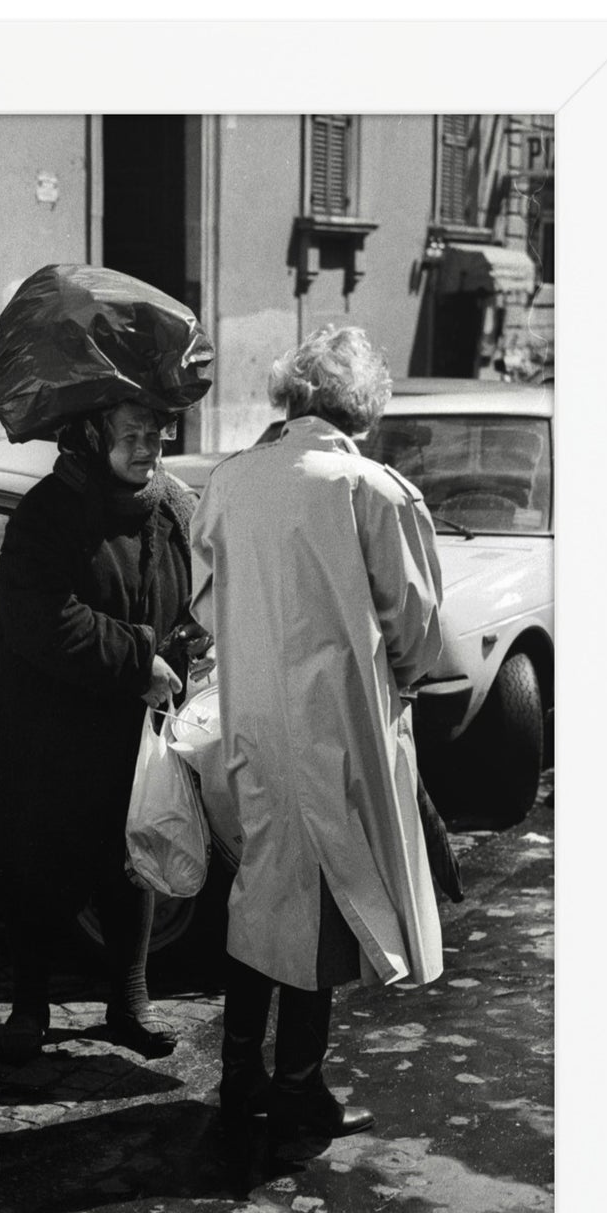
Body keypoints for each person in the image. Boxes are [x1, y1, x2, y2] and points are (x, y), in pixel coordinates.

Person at [190, 324, 449, 1139]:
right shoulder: (370, 490)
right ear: (360, 406)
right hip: (340, 721)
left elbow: (206, 601)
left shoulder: (231, 480)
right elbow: (416, 628)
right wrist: (393, 680)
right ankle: (299, 1087)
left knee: (263, 891)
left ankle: (241, 1076)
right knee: (326, 904)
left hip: (254, 718)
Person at [0, 399, 205, 1063]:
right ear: (91, 437)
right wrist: (140, 659)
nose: (148, 448)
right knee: (41, 866)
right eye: (131, 435)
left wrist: (187, 644)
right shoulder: (47, 513)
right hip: (51, 730)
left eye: (155, 434)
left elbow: (193, 602)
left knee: (132, 857)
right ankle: (29, 1006)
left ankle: (130, 1001)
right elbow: (42, 617)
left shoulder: (171, 510)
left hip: (132, 729)